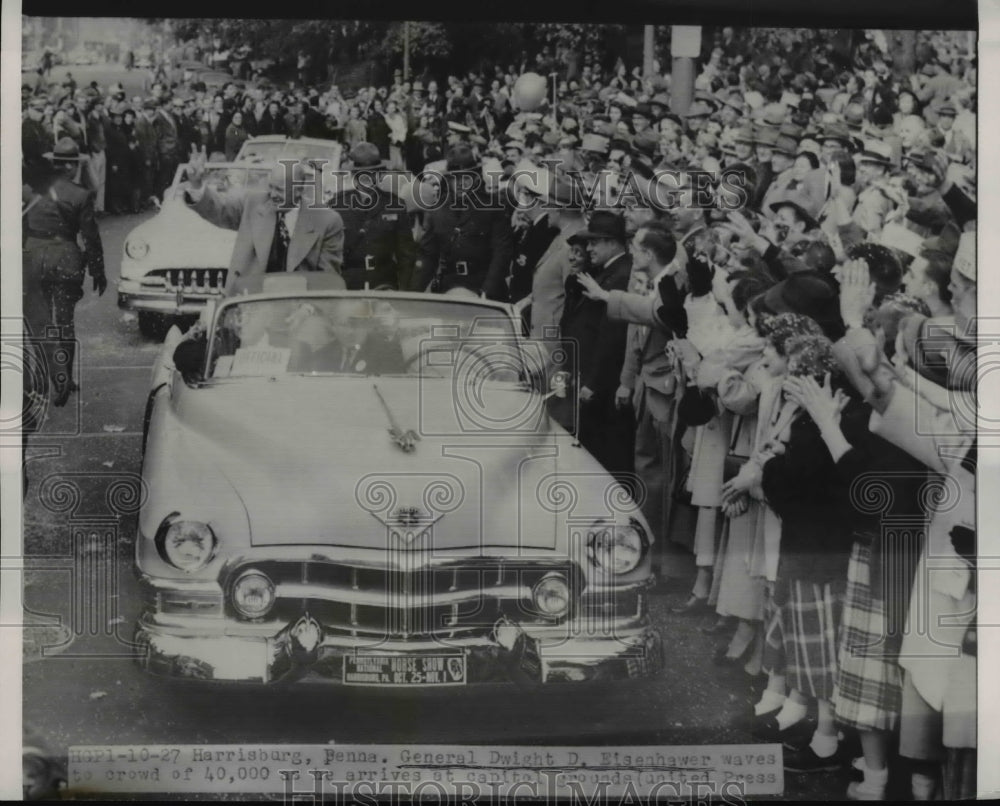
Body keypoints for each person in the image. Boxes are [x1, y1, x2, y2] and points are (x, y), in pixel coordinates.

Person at [182, 145, 345, 293]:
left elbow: (327, 282)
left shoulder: (327, 221)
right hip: (250, 304)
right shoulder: (253, 203)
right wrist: (197, 185)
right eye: (271, 187)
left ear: (298, 191)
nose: (272, 194)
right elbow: (219, 209)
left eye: (279, 190)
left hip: (299, 310)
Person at [22, 138, 107, 406]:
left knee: (41, 322)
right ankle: (63, 381)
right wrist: (98, 271)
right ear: (70, 167)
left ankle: (47, 377)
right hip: (65, 259)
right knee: (65, 323)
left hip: (33, 258)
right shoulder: (80, 195)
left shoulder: (29, 191)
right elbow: (91, 238)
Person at [411, 143, 513, 300]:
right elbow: (427, 255)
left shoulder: (493, 206)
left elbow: (501, 253)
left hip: (484, 287)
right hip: (449, 287)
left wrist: (486, 291)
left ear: (475, 178)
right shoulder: (437, 209)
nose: (460, 184)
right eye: (454, 178)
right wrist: (413, 294)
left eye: (466, 178)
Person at [328, 142, 416, 291]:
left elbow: (406, 256)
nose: (366, 179)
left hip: (384, 284)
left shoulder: (395, 204)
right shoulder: (337, 205)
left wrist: (403, 291)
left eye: (372, 173)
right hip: (347, 285)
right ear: (354, 175)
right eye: (361, 174)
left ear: (380, 174)